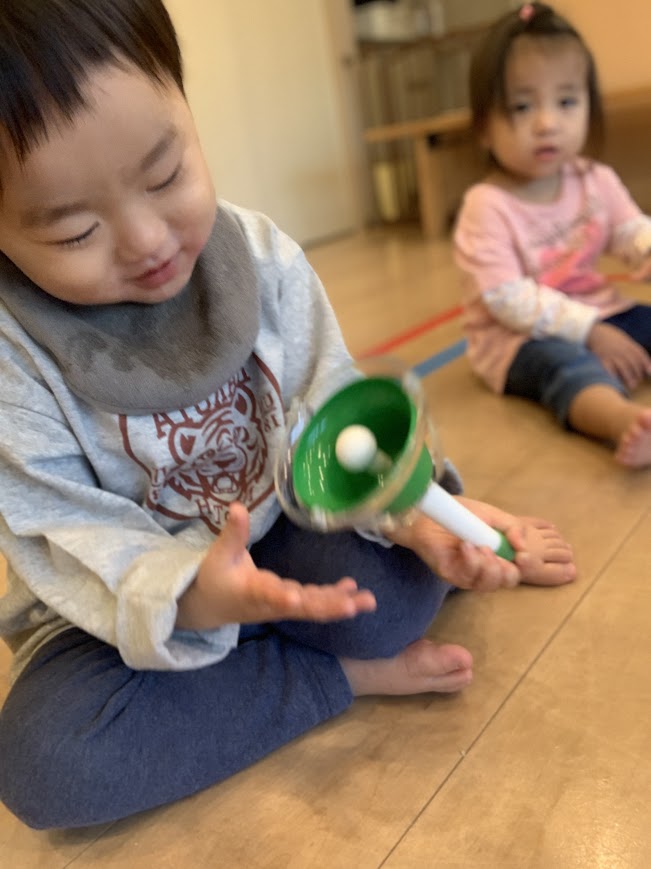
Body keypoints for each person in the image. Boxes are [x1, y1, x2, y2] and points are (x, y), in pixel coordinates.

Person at [0, 0, 576, 831]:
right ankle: (334, 676)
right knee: (44, 764)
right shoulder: (15, 357)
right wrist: (191, 596)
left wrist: (410, 514)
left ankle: (419, 529)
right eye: (76, 231)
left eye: (165, 174)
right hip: (118, 603)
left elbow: (330, 420)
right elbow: (67, 531)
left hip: (281, 526)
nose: (147, 238)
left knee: (393, 594)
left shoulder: (258, 257)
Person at [453, 2, 651, 468]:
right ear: (483, 128)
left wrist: (646, 248)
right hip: (518, 339)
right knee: (567, 368)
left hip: (600, 310)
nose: (547, 123)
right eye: (522, 106)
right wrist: (591, 332)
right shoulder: (486, 206)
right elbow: (507, 300)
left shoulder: (594, 178)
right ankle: (622, 421)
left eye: (566, 102)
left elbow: (629, 228)